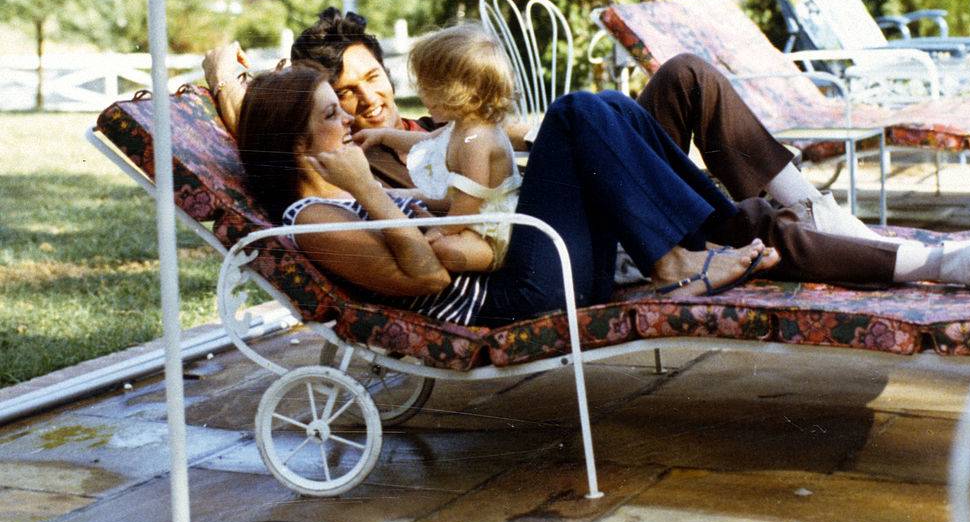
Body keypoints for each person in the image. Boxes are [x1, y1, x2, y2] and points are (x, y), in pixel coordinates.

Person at [207, 9, 970, 291]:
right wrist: (223, 77)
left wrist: (517, 136)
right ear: (308, 130)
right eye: (339, 102)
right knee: (583, 116)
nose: (365, 103)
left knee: (684, 77)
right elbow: (428, 259)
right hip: (538, 252)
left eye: (373, 79)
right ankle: (932, 261)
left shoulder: (406, 133)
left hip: (553, 214)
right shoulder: (341, 181)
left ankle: (810, 212)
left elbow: (490, 149)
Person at [236, 65, 782, 327]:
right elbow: (428, 277)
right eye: (333, 113)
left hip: (529, 265)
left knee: (607, 104)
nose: (349, 118)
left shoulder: (340, 194)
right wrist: (366, 187)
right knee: (574, 114)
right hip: (517, 295)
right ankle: (679, 258)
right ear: (295, 144)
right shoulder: (314, 219)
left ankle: (714, 228)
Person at [353, 24, 522, 272]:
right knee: (419, 218)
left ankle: (497, 260)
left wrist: (442, 228)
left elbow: (469, 200)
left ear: (460, 91)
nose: (421, 95)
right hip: (470, 216)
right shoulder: (461, 126)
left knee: (443, 250)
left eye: (428, 88)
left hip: (493, 227)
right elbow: (427, 142)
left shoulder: (477, 139)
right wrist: (383, 136)